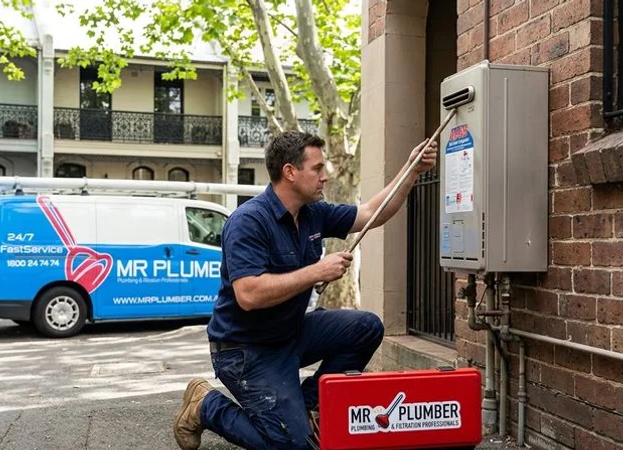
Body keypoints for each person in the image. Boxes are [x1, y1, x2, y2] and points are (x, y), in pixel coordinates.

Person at [172, 130, 438, 450]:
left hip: (291, 333)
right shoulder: (249, 221)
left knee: (366, 327)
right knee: (294, 446)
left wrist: (410, 171)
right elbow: (249, 294)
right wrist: (316, 272)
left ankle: (310, 403)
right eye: (317, 169)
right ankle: (206, 405)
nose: (325, 177)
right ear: (290, 172)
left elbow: (370, 213)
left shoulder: (313, 213)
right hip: (245, 350)